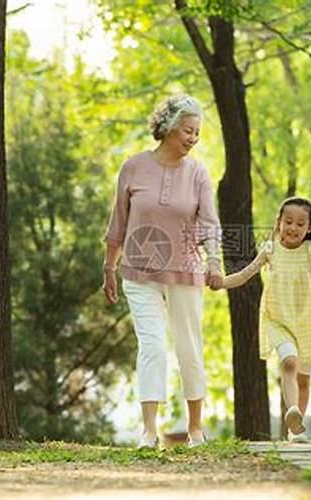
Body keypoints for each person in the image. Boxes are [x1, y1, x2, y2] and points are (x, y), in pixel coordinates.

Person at [102, 94, 223, 449]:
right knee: (152, 346)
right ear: (168, 127)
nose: (193, 138)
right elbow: (117, 224)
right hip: (139, 274)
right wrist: (109, 266)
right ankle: (149, 431)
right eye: (188, 130)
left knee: (189, 348)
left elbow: (209, 224)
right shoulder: (133, 167)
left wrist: (214, 262)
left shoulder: (198, 172)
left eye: (197, 133)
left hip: (185, 273)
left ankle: (195, 429)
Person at [210, 197, 311, 442]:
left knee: (304, 380)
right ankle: (292, 410)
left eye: (300, 223)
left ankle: (296, 429)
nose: (293, 228)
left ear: (309, 227)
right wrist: (221, 282)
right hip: (277, 319)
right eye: (288, 222)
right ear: (279, 222)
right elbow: (245, 274)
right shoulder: (270, 249)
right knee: (289, 363)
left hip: (307, 321)